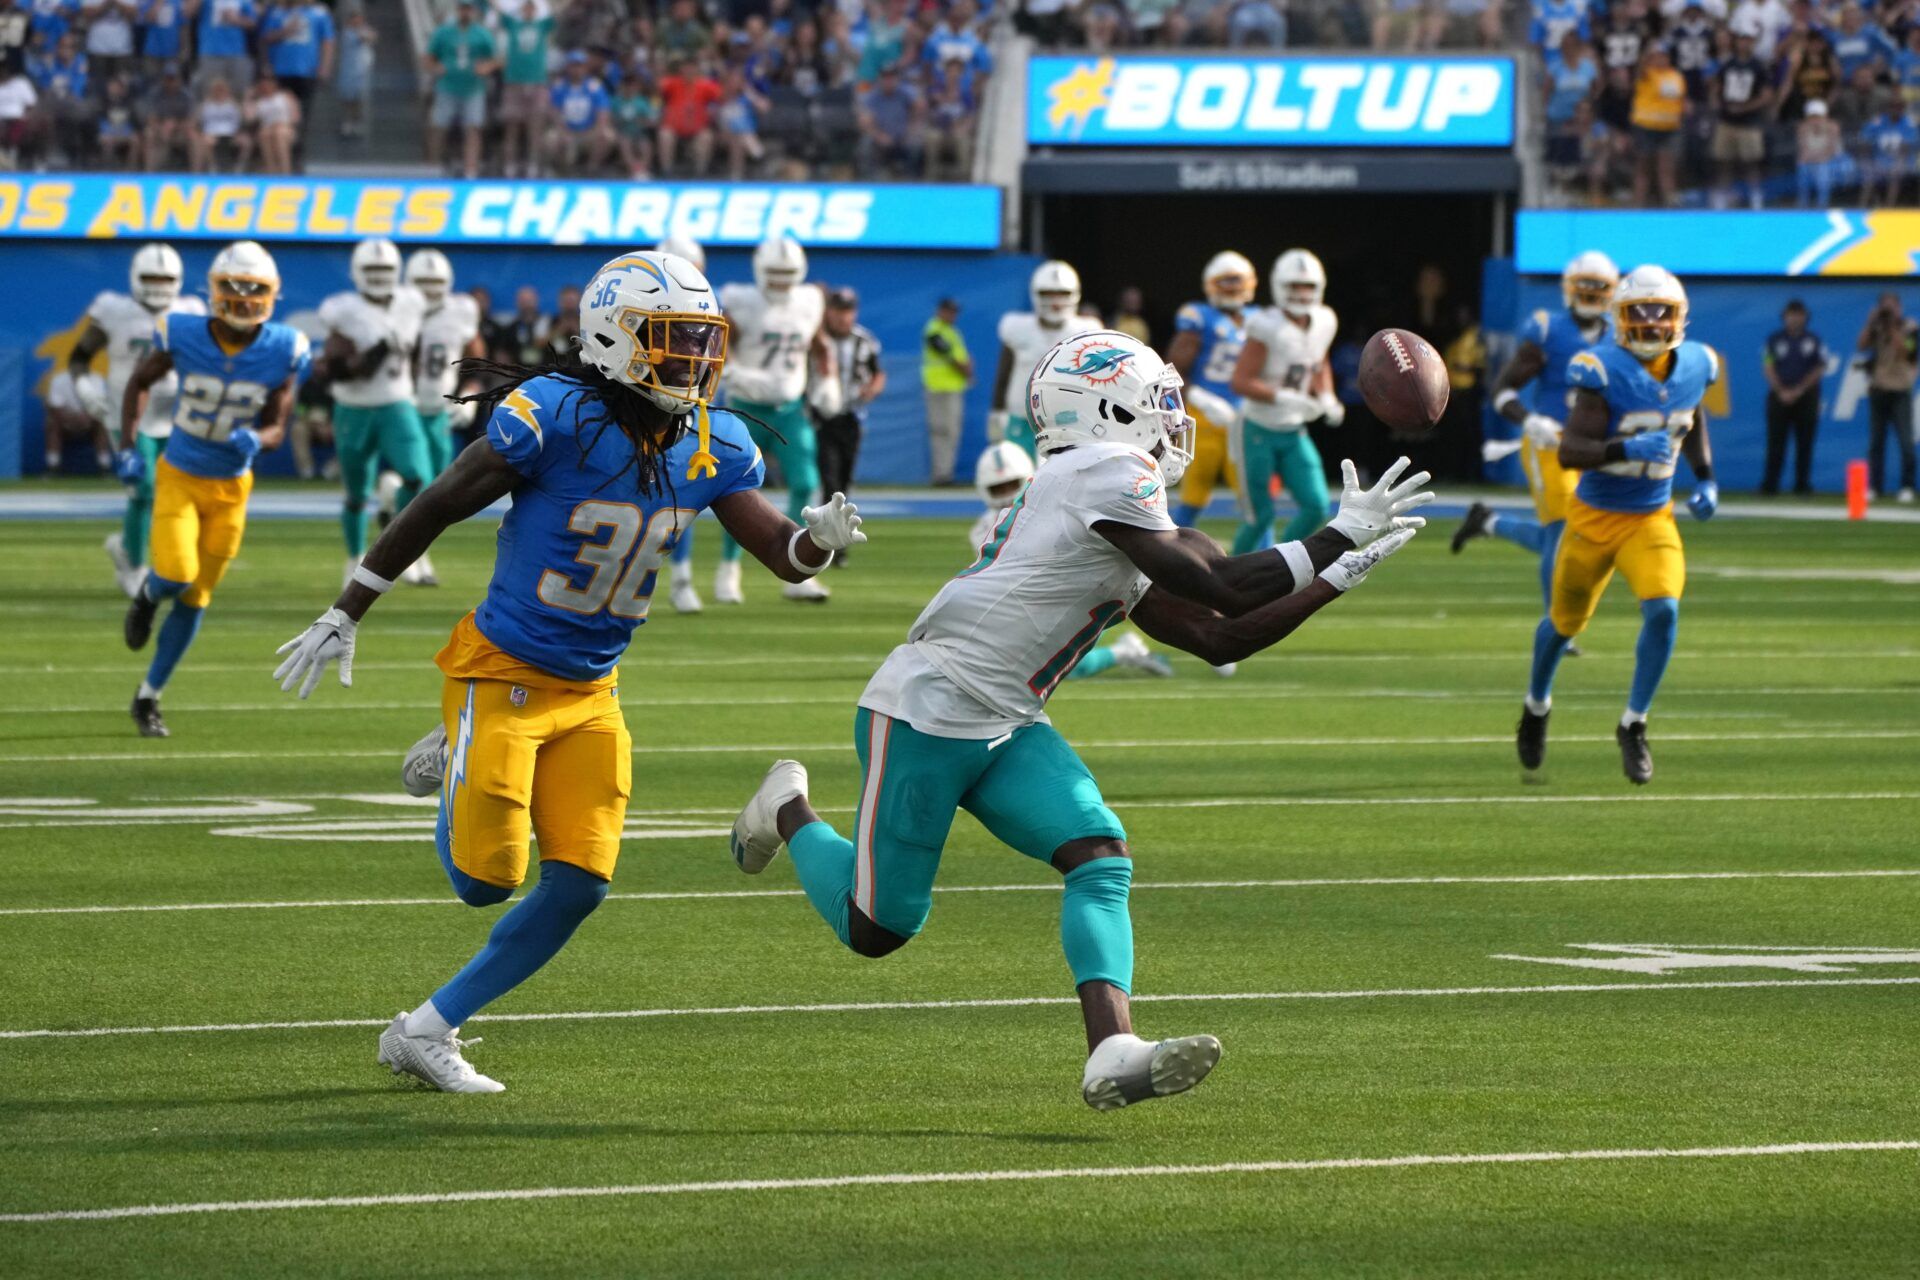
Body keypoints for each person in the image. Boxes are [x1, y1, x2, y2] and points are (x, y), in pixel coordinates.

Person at [728, 330, 1431, 1110]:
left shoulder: (1119, 505)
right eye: (1158, 402)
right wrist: (1335, 534)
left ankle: (1111, 1052)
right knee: (878, 930)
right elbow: (1224, 587)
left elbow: (1217, 635)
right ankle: (787, 807)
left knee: (1101, 856)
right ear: (1106, 410)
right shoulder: (1103, 471)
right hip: (929, 707)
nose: (1174, 418)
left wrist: (1337, 572)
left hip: (1008, 718)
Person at [269, 250, 867, 1094]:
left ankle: (426, 1030)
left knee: (580, 884)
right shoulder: (551, 416)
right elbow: (438, 501)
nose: (693, 359)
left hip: (592, 691)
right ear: (616, 339)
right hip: (502, 671)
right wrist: (347, 609)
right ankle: (456, 751)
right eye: (672, 340)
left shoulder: (710, 440)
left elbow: (780, 554)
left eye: (702, 341)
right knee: (486, 881)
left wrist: (818, 544)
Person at [1519, 265, 1718, 785]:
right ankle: (1537, 704)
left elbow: (1692, 419)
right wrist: (1624, 448)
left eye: (1661, 314)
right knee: (1563, 626)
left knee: (1664, 610)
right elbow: (1569, 451)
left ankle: (1633, 723)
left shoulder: (1698, 364)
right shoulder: (1600, 369)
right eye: (1639, 314)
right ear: (1619, 320)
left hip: (1651, 516)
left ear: (1680, 319)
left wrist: (1707, 477)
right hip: (1593, 517)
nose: (1651, 325)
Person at [119, 240, 309, 738]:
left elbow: (278, 425)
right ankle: (146, 592)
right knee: (176, 575)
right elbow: (138, 383)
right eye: (235, 287)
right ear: (214, 291)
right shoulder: (180, 331)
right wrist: (126, 444)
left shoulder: (285, 348)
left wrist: (260, 438)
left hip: (231, 487)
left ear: (272, 294)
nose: (244, 298)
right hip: (181, 474)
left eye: (255, 289)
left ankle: (148, 696)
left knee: (197, 596)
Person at [1456, 251, 1618, 629]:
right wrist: (1530, 421)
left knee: (1577, 535)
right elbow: (1501, 391)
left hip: (1594, 447)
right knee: (1563, 530)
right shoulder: (1548, 331)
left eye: (1599, 289)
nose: (1592, 296)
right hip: (1551, 443)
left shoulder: (1619, 337)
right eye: (1586, 287)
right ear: (1569, 289)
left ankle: (1489, 522)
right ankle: (1559, 624)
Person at [68, 242, 206, 597]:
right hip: (128, 414)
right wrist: (84, 386)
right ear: (135, 277)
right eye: (151, 277)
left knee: (173, 493)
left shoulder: (191, 309)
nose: (158, 285)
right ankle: (135, 566)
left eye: (165, 278)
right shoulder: (114, 310)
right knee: (142, 488)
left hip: (176, 415)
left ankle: (132, 550)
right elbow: (79, 356)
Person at [970, 440, 1174, 680]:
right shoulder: (982, 529)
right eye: (998, 488)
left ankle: (1126, 651)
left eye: (1010, 485)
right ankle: (1127, 650)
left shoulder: (1052, 503)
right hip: (1032, 599)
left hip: (1073, 588)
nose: (1005, 495)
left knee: (1050, 667)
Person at [713, 234, 831, 604]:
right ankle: (729, 570)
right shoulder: (740, 300)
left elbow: (820, 343)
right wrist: (731, 372)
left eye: (787, 274)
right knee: (737, 490)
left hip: (790, 408)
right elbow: (719, 339)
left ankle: (801, 565)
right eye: (774, 274)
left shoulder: (810, 300)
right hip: (746, 408)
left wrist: (828, 379)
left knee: (806, 483)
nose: (781, 282)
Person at [319, 237, 430, 585]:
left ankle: (405, 549)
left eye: (384, 269)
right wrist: (359, 362)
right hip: (354, 408)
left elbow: (415, 350)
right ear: (356, 272)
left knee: (418, 477)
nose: (379, 276)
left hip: (397, 402)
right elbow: (332, 364)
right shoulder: (343, 309)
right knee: (355, 493)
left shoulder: (412, 302)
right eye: (372, 269)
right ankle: (354, 558)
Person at [1228, 249, 1342, 554]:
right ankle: (1224, 582)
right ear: (1279, 286)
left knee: (1316, 505)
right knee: (1259, 517)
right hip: (1257, 428)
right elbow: (1240, 380)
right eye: (1294, 286)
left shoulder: (1325, 320)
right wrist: (1283, 396)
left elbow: (1318, 362)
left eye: (1307, 286)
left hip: (1293, 430)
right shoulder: (1266, 325)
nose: (1301, 294)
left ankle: (1279, 563)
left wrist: (1327, 395)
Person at [403, 248, 485, 555]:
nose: (429, 288)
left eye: (434, 281)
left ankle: (391, 500)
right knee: (420, 477)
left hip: (439, 407)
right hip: (404, 403)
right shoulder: (397, 308)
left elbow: (477, 357)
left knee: (437, 483)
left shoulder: (460, 309)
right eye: (422, 281)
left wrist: (472, 389)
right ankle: (411, 552)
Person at [1165, 251, 1254, 532]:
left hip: (1245, 417)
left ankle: (1271, 561)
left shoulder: (1260, 320)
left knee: (1253, 497)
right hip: (1204, 416)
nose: (1230, 288)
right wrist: (1201, 397)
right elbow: (1172, 370)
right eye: (1224, 282)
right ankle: (1167, 553)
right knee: (1194, 493)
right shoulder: (1198, 317)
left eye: (1235, 282)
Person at [991, 260, 1103, 461]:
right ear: (1037, 294)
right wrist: (997, 411)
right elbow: (1004, 373)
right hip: (1021, 418)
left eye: (1062, 294)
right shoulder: (1016, 328)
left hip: (1068, 420)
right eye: (1049, 294)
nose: (1056, 301)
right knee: (1018, 475)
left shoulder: (1087, 332)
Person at [810, 286, 884, 542]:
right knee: (829, 481)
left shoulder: (865, 340)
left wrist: (872, 390)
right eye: (838, 310)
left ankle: (834, 537)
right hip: (821, 419)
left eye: (848, 311)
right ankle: (827, 539)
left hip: (852, 416)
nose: (843, 317)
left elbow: (878, 374)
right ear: (828, 311)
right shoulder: (816, 339)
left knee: (843, 480)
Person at [423, 0, 496, 180]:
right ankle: (433, 167)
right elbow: (428, 56)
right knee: (439, 126)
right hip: (447, 86)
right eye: (463, 9)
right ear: (458, 10)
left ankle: (470, 169)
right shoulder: (444, 32)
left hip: (473, 88)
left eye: (469, 9)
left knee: (473, 129)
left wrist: (486, 68)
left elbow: (495, 58)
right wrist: (435, 67)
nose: (466, 12)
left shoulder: (482, 34)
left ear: (474, 11)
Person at [1761, 299, 1826, 495]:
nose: (1795, 318)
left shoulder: (1813, 340)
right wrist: (1781, 390)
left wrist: (1799, 389)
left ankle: (1802, 485)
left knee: (1804, 443)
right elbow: (1767, 365)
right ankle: (1770, 485)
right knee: (1776, 442)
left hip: (1806, 397)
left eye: (1799, 314)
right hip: (1779, 396)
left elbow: (1820, 367)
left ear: (1805, 317)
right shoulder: (1774, 339)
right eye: (1791, 314)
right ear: (1784, 316)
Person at [1857, 291, 1918, 501]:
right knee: (1876, 442)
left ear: (1899, 308)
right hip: (1879, 388)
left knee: (1905, 442)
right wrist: (1870, 322)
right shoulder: (1877, 327)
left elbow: (1907, 353)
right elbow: (1861, 345)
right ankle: (1875, 486)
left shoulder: (1910, 327)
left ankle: (1907, 486)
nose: (1889, 310)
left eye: (1892, 306)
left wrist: (1892, 327)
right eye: (1885, 306)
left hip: (1900, 389)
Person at [1711, 31, 1772, 208]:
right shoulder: (1728, 64)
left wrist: (1745, 107)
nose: (1744, 44)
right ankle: (1722, 195)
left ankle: (1755, 195)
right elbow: (1717, 86)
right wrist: (1717, 103)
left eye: (1748, 40)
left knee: (1751, 162)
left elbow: (1766, 95)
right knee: (1723, 161)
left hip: (1749, 121)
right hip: (1727, 119)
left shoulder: (1758, 66)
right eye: (1741, 40)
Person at [496, 0, 552, 177]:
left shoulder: (542, 25)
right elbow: (497, 9)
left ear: (535, 11)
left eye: (531, 8)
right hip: (514, 81)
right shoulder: (513, 24)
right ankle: (509, 165)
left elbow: (560, 11)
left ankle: (533, 165)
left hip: (536, 81)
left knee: (535, 127)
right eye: (525, 7)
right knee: (512, 126)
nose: (528, 10)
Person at [920, 296, 971, 486]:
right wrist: (965, 368)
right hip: (939, 388)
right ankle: (941, 475)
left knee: (950, 433)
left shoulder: (951, 330)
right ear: (940, 310)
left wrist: (966, 367)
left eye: (954, 311)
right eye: (949, 311)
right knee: (942, 432)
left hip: (951, 387)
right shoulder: (934, 329)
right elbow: (948, 354)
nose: (952, 315)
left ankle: (945, 473)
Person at [1631, 43, 1687, 206]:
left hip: (1669, 128)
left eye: (1663, 56)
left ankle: (1669, 203)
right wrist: (1647, 51)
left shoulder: (1676, 76)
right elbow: (1639, 69)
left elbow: (1679, 99)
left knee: (1666, 168)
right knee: (1643, 167)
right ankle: (1638, 204)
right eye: (1656, 56)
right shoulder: (1647, 74)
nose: (1660, 60)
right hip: (1646, 127)